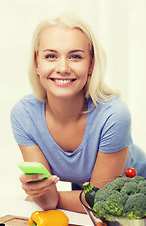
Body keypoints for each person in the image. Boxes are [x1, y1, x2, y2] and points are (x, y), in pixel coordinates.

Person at [11, 14, 146, 213]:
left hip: (135, 198)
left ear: (91, 65)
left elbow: (101, 201)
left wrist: (42, 196)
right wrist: (40, 192)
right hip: (88, 196)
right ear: (37, 63)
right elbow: (50, 201)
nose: (63, 68)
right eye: (51, 56)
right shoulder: (24, 115)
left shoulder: (114, 115)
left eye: (75, 56)